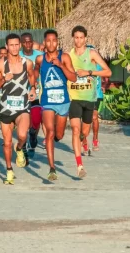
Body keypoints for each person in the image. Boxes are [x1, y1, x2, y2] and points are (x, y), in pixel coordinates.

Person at [0, 33, 36, 185]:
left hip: (22, 106)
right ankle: (9, 170)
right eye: (12, 45)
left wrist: (33, 88)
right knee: (7, 142)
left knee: (22, 135)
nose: (15, 47)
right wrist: (4, 79)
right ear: (6, 46)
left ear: (20, 45)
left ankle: (20, 149)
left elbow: (31, 77)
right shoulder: (0, 64)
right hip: (5, 108)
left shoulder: (27, 63)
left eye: (17, 44)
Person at [68, 26, 111, 178]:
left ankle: (82, 140)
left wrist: (90, 72)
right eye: (76, 37)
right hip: (74, 99)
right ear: (73, 38)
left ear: (86, 38)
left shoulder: (92, 53)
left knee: (84, 132)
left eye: (81, 37)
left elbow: (108, 71)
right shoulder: (69, 55)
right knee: (74, 129)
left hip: (89, 99)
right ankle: (79, 165)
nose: (78, 40)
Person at [36, 30, 77, 181]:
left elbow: (73, 78)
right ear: (44, 43)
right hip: (47, 102)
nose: (51, 43)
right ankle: (52, 168)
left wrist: (60, 65)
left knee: (59, 135)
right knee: (50, 133)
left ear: (57, 42)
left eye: (54, 41)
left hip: (63, 102)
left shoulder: (64, 57)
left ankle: (55, 139)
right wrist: (33, 80)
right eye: (48, 41)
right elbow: (35, 70)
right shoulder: (40, 59)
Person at [20, 32, 44, 158]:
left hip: (37, 92)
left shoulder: (40, 56)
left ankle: (33, 135)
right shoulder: (16, 56)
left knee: (35, 119)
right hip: (21, 93)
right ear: (21, 43)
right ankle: (24, 146)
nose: (28, 44)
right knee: (22, 120)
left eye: (30, 42)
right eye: (25, 42)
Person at [87, 45, 107, 153]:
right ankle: (84, 140)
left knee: (94, 117)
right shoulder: (83, 65)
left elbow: (107, 75)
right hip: (84, 95)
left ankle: (95, 139)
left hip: (96, 95)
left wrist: (103, 85)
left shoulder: (100, 65)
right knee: (84, 119)